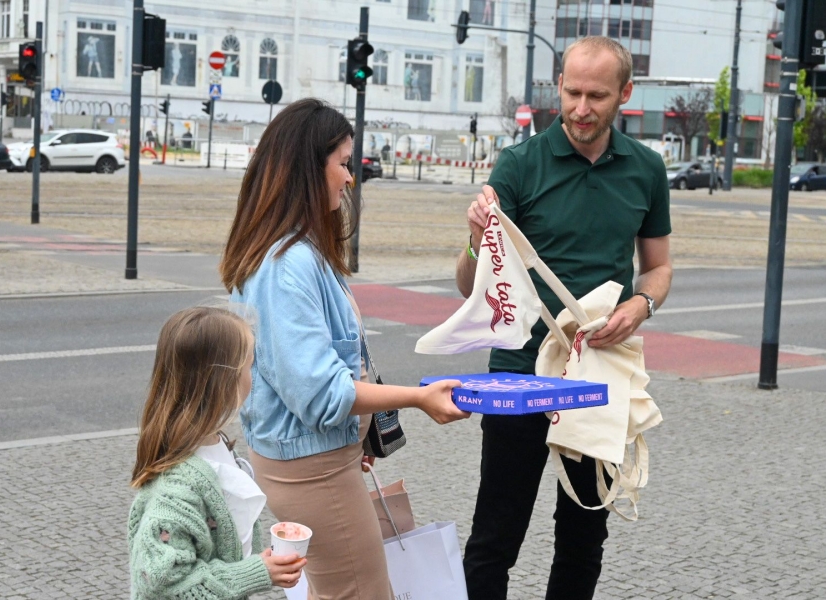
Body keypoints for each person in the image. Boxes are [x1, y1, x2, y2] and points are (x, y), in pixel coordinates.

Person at [220, 97, 469, 599]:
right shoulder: (287, 265)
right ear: (309, 168)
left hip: (319, 463)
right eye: (343, 162)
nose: (350, 178)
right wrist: (418, 398)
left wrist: (355, 438)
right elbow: (321, 394)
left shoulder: (295, 251)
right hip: (313, 472)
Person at [456, 36, 672, 600]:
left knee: (583, 538)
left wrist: (640, 305)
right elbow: (471, 287)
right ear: (559, 87)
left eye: (596, 96)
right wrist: (477, 240)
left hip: (598, 372)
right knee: (495, 537)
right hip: (520, 371)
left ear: (625, 93)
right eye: (572, 92)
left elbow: (658, 267)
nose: (580, 108)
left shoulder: (647, 169)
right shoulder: (519, 164)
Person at [128, 306, 306, 599]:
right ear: (224, 381)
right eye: (249, 366)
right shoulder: (178, 487)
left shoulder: (215, 442)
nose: (253, 375)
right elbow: (164, 582)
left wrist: (255, 563)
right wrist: (254, 572)